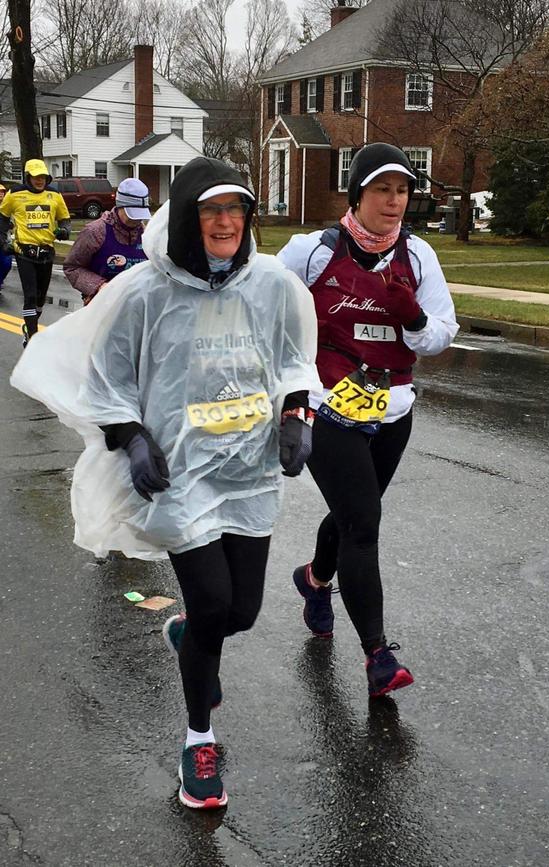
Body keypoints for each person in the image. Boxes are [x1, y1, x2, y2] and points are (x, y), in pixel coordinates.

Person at [11, 156, 320, 809]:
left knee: (241, 613)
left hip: (248, 470)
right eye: (211, 209)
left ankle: (189, 635)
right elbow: (105, 378)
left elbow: (296, 357)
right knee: (212, 604)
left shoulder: (271, 285)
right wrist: (131, 436)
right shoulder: (145, 290)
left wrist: (297, 413)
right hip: (179, 476)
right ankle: (198, 742)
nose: (226, 221)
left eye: (236, 208)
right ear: (186, 217)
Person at [277, 142, 459, 699]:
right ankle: (377, 656)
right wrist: (294, 394)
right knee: (363, 523)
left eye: (403, 190)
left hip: (392, 411)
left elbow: (439, 338)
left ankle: (314, 579)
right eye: (382, 189)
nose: (395, 200)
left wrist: (413, 316)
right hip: (330, 409)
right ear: (357, 193)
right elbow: (264, 310)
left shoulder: (420, 256)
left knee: (356, 513)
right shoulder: (310, 252)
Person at [0, 159, 71, 345]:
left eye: (43, 177)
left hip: (47, 252)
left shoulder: (54, 195)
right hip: (24, 252)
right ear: (27, 177)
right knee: (30, 295)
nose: (39, 181)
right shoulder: (15, 194)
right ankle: (32, 336)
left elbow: (64, 219)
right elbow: (2, 219)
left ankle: (31, 324)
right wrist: (3, 243)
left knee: (40, 299)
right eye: (35, 177)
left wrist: (64, 231)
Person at [63, 177, 151, 304]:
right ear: (120, 206)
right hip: (101, 306)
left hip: (137, 307)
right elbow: (72, 268)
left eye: (140, 215)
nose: (136, 221)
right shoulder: (95, 232)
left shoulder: (147, 235)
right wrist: (100, 286)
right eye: (132, 215)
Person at [0, 184, 13, 292]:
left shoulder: (9, 206)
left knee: (7, 264)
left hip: (5, 241)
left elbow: (14, 222)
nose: (1, 194)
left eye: (3, 192)